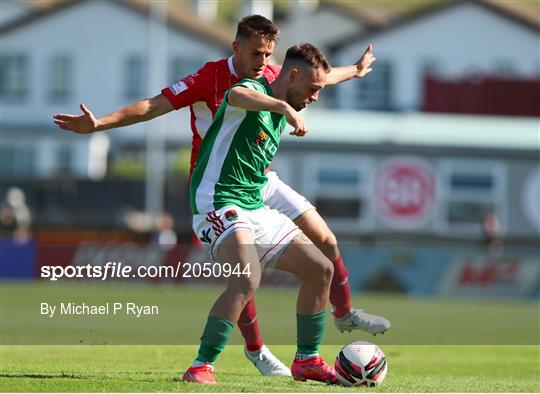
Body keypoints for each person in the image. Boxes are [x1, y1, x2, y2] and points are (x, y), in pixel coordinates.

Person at [53, 15, 390, 377]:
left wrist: (354, 70)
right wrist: (100, 124)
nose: (263, 62)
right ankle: (216, 361)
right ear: (236, 47)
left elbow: (315, 76)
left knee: (322, 259)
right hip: (217, 193)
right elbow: (183, 101)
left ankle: (312, 353)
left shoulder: (280, 78)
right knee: (247, 277)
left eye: (268, 55)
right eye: (257, 53)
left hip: (255, 185)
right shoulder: (231, 84)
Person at [185, 43, 340, 385]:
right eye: (313, 89)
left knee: (320, 269)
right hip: (217, 202)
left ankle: (307, 360)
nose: (315, 97)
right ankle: (200, 366)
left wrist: (354, 70)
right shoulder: (254, 88)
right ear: (293, 76)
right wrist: (283, 106)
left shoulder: (287, 98)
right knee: (246, 278)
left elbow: (326, 78)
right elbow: (237, 95)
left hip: (253, 205)